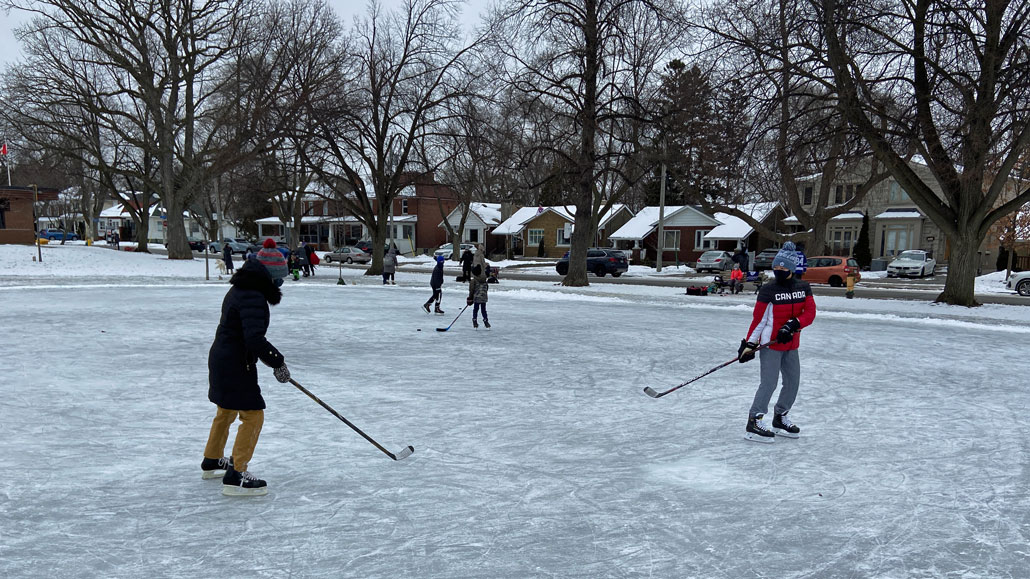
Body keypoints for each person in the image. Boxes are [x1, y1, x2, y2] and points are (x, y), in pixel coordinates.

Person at [201, 257, 291, 496]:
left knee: (226, 410)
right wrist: (277, 361)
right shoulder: (253, 295)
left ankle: (212, 459)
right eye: (279, 276)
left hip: (222, 357)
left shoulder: (241, 287)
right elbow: (254, 339)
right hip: (235, 363)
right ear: (269, 276)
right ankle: (237, 474)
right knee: (253, 415)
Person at [737, 241, 816, 443]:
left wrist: (794, 324)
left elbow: (810, 313)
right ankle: (755, 420)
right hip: (771, 345)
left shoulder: (803, 287)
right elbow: (759, 320)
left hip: (791, 344)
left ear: (791, 268)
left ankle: (780, 417)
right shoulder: (768, 290)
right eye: (776, 266)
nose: (779, 270)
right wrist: (750, 344)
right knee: (769, 383)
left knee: (792, 383)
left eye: (783, 267)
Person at [467, 245, 490, 329]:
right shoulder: (480, 256)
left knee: (476, 309)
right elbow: (482, 265)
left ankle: (475, 320)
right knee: (483, 309)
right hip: (482, 296)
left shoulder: (475, 256)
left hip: (477, 297)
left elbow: (471, 289)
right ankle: (485, 320)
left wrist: (470, 297)